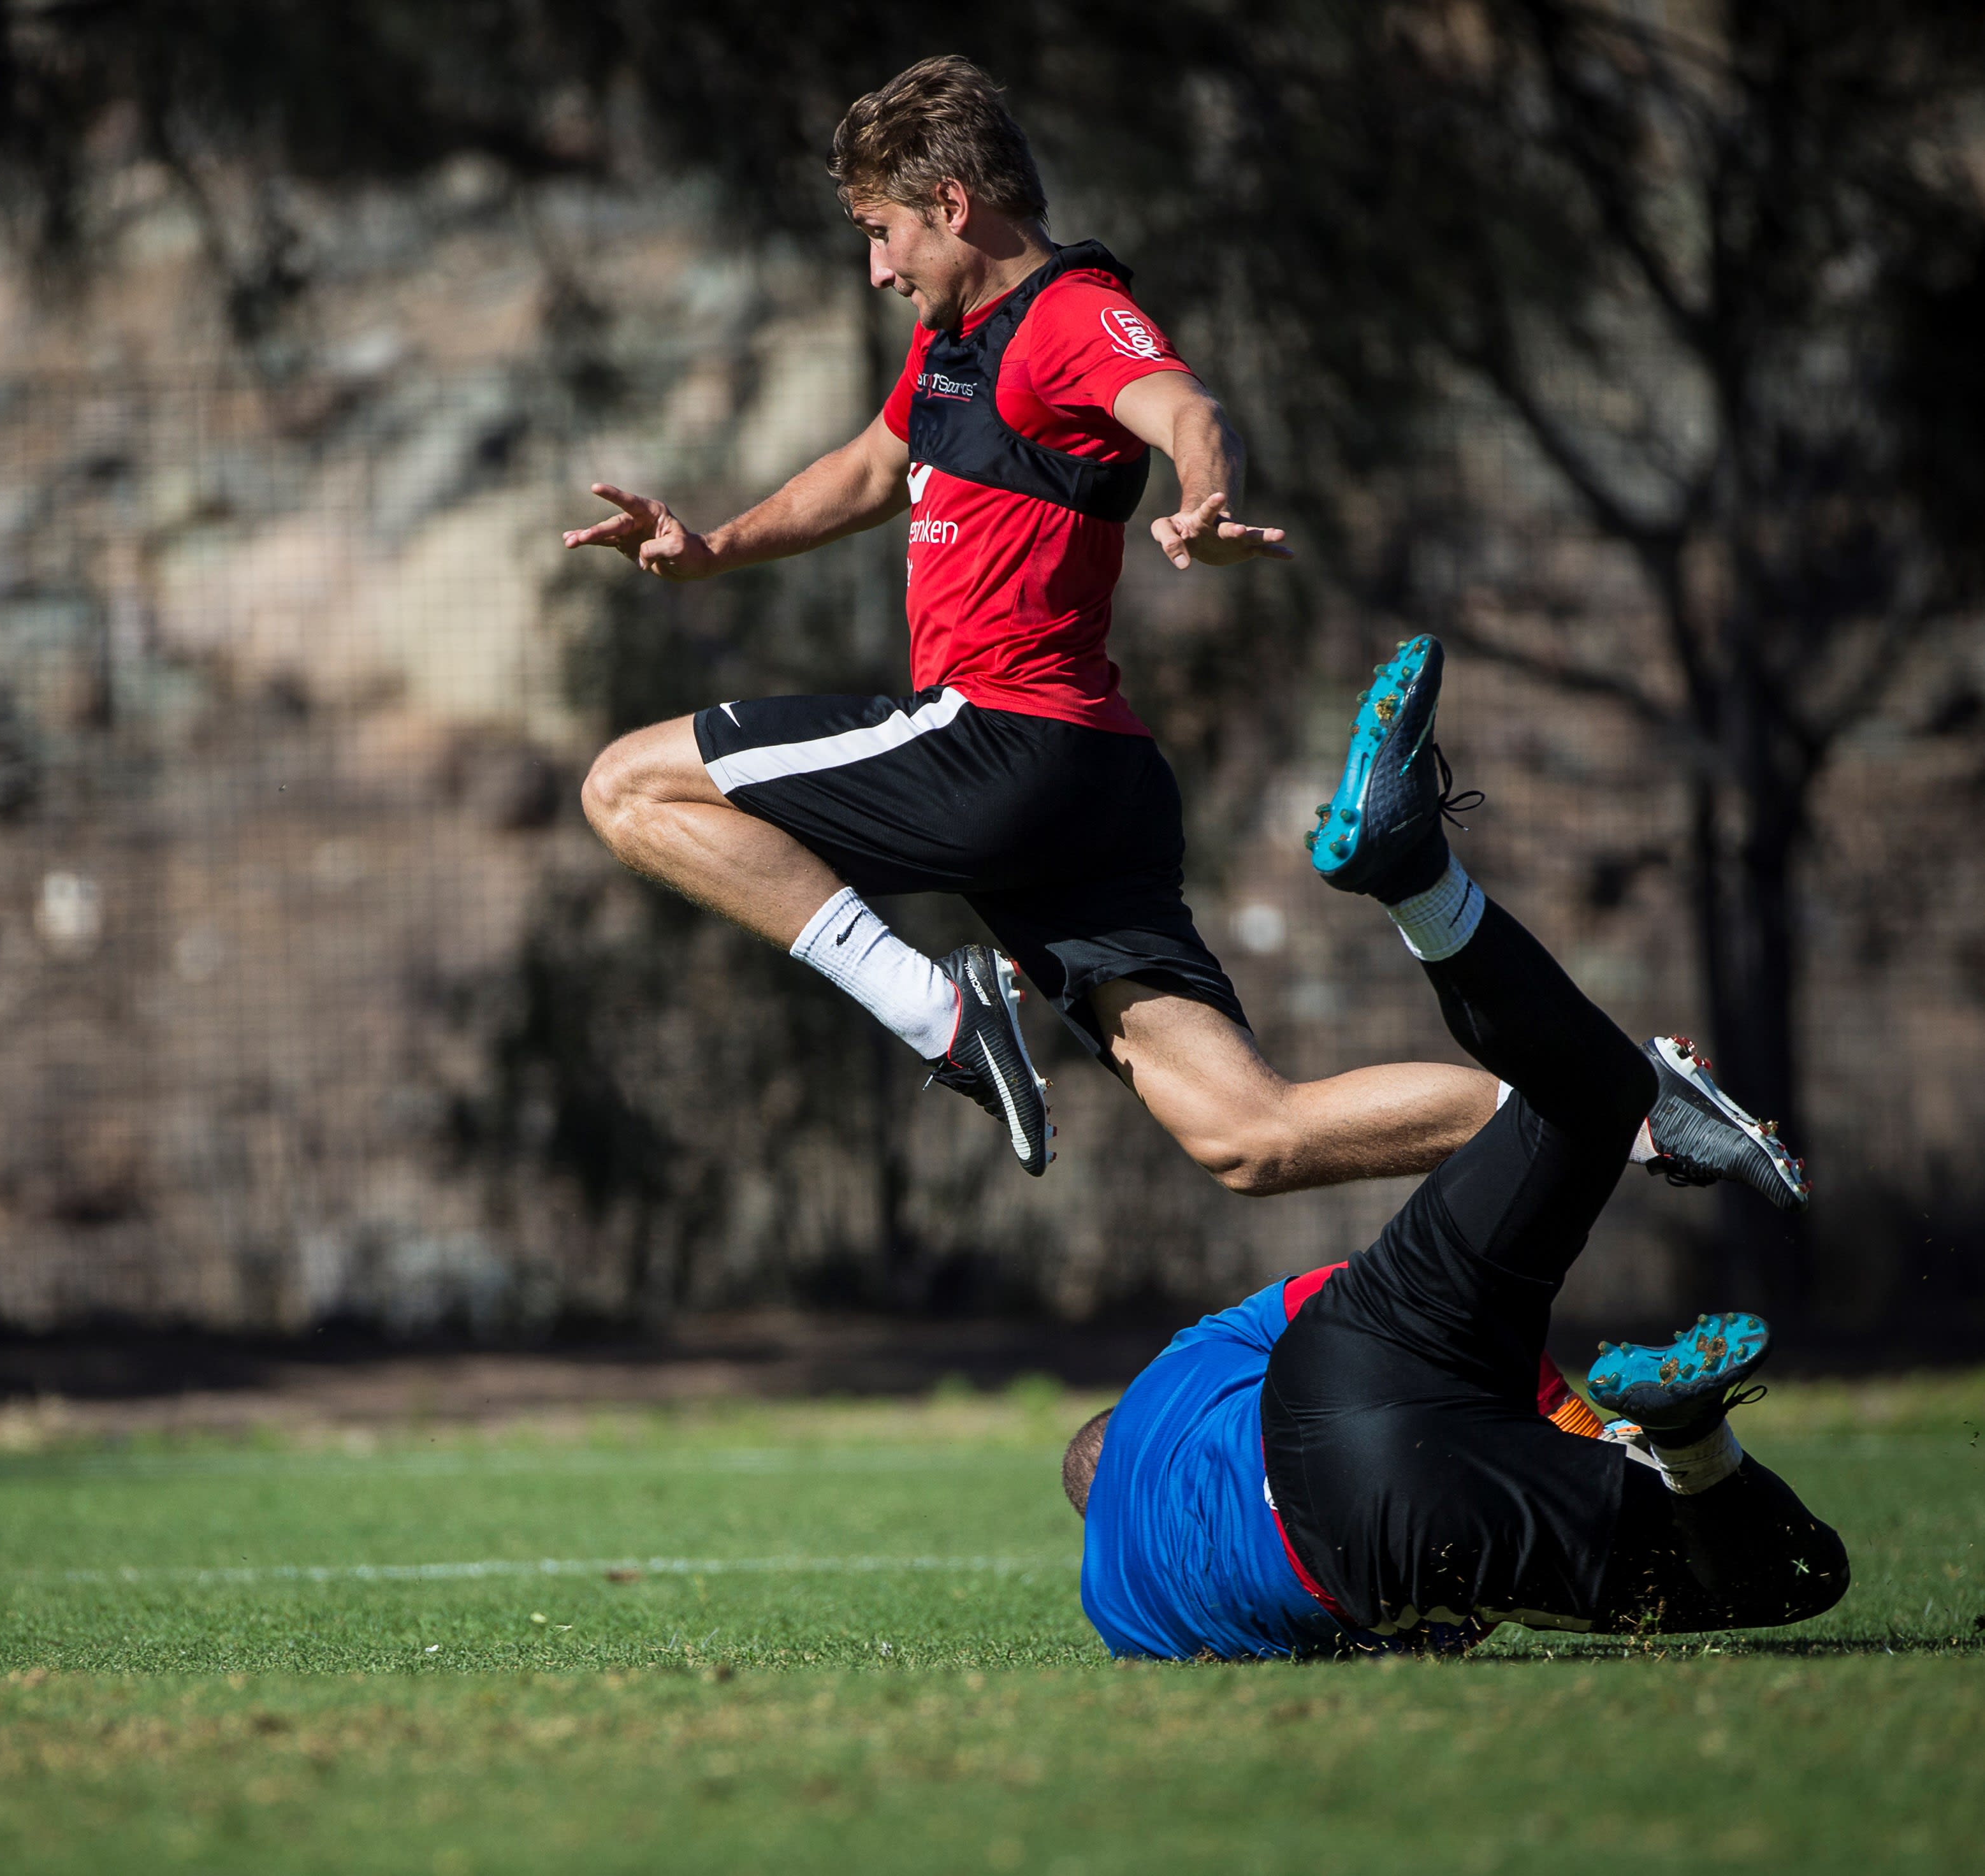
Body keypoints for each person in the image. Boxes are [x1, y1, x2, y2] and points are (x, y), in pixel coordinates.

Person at [560, 56, 1805, 1219]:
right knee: (1249, 1137)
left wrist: (1204, 498)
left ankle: (933, 1013)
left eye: (881, 232)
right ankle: (1624, 1107)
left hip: (1006, 742)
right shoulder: (950, 348)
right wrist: (713, 547)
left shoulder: (1066, 315)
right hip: (1086, 792)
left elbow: (1184, 408)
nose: (877, 269)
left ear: (950, 204)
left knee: (626, 786)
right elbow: (869, 470)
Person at [1065, 646, 1845, 1659]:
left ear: (1096, 1515)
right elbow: (1338, 1298)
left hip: (1365, 1533)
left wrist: (1573, 1445)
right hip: (1336, 1366)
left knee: (1792, 1578)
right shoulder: (1178, 1378)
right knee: (1590, 1098)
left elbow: (1397, 1641)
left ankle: (1691, 1441)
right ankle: (1420, 883)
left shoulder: (1121, 1606)